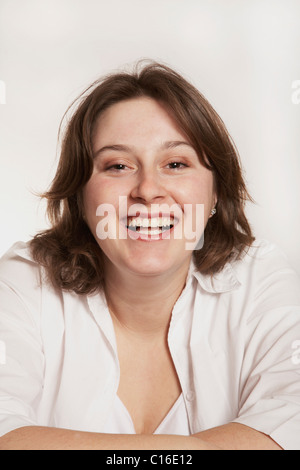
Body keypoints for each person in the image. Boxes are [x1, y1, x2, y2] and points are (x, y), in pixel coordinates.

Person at [0, 61, 299, 450]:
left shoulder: (261, 278)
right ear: (79, 196)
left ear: (215, 195)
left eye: (176, 164)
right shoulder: (24, 282)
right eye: (118, 165)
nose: (148, 190)